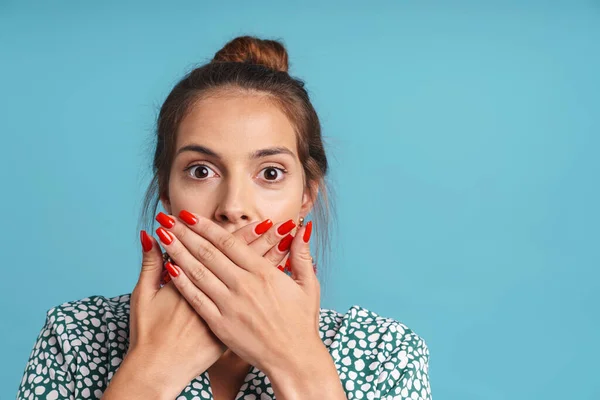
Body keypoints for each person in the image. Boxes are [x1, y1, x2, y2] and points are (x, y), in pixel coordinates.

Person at [16, 35, 432, 400]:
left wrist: (298, 364)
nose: (233, 206)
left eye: (270, 173)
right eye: (201, 171)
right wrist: (149, 373)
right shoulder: (73, 337)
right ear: (166, 191)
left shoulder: (386, 353)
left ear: (306, 196)